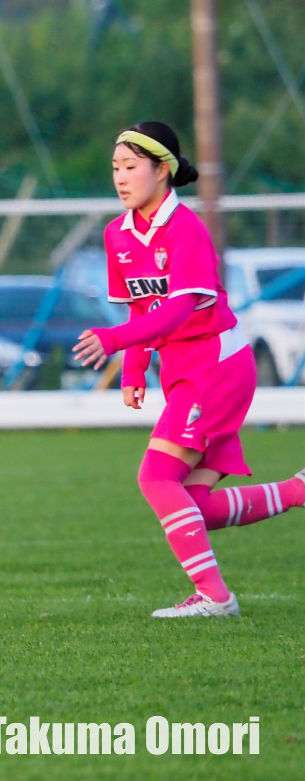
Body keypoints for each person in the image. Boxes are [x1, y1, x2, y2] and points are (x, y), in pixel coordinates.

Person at [73, 121, 303, 619]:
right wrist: (133, 371)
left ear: (163, 170)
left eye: (131, 166)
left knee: (157, 478)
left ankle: (216, 597)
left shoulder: (187, 229)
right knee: (195, 507)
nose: (120, 176)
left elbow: (177, 311)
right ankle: (299, 490)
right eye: (115, 167)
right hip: (183, 369)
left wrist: (112, 343)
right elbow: (141, 310)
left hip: (215, 366)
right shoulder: (118, 234)